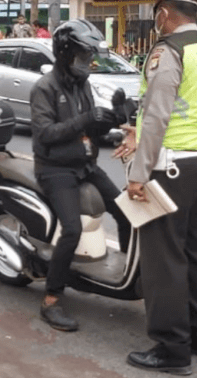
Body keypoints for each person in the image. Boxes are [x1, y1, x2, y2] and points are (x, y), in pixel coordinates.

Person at [118, 0, 197, 375]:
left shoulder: (167, 51)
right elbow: (195, 108)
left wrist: (139, 173)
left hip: (172, 168)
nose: (156, 21)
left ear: (164, 13)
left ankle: (171, 348)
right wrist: (139, 131)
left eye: (156, 14)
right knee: (196, 253)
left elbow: (161, 113)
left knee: (163, 259)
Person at [30, 19, 132, 332]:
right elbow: (45, 134)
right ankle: (51, 299)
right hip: (56, 169)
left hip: (85, 165)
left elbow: (89, 126)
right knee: (72, 230)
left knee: (127, 212)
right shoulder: (45, 88)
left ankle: (126, 275)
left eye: (88, 57)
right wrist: (86, 120)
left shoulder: (82, 84)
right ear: (64, 53)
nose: (86, 63)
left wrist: (115, 116)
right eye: (81, 56)